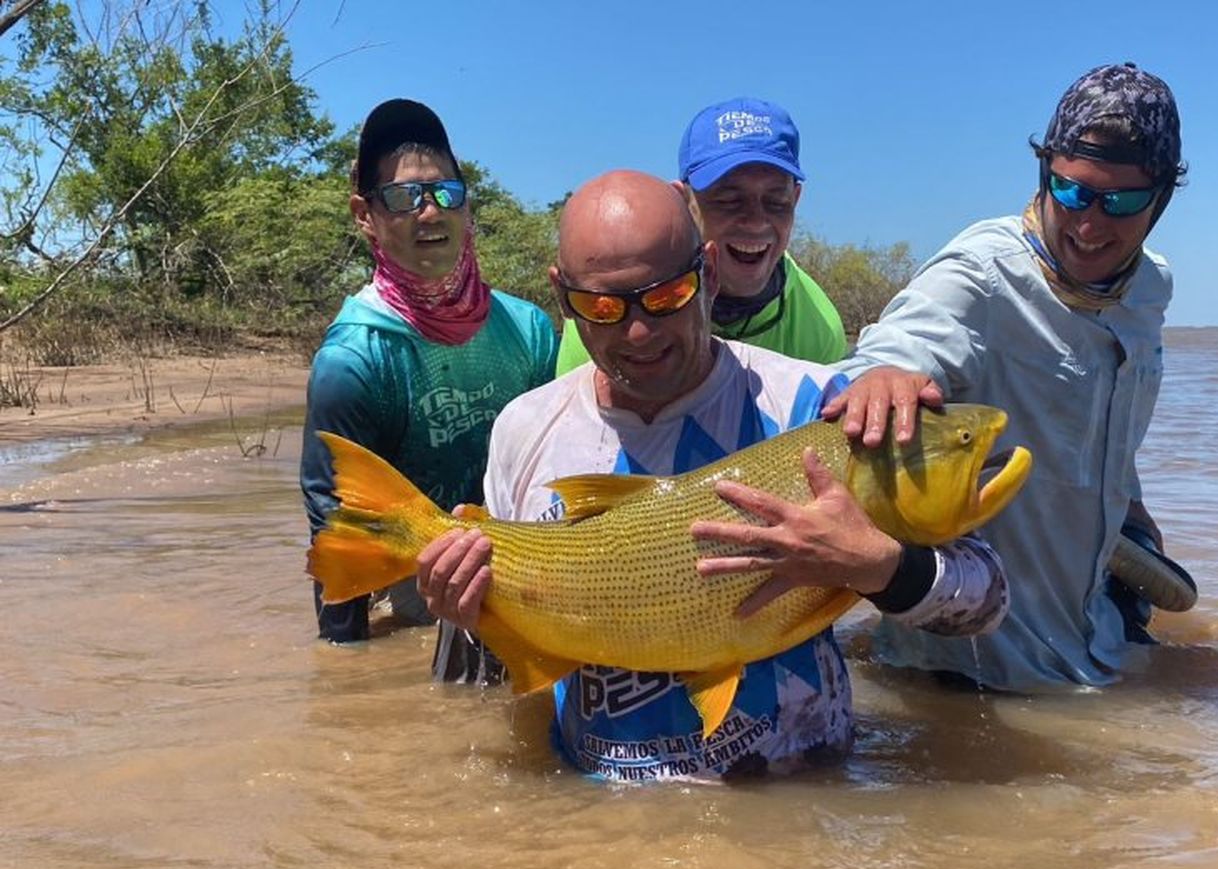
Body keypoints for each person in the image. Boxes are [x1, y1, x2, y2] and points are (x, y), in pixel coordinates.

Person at [417, 170, 1008, 781]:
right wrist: (464, 609)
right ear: (562, 298)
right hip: (595, 828)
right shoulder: (525, 428)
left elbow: (986, 601)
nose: (638, 332)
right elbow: (508, 668)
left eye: (666, 297)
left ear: (709, 272)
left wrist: (879, 568)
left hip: (801, 803)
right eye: (602, 307)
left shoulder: (816, 408)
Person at [830, 63, 1187, 692]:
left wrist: (1124, 503)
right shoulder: (982, 272)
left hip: (1097, 644)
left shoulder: (1150, 287)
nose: (1089, 223)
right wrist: (882, 372)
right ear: (1044, 170)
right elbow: (899, 345)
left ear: (1160, 199)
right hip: (972, 675)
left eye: (1122, 202)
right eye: (1071, 190)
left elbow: (1104, 431)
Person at [300, 99, 558, 643]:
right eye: (403, 197)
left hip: (532, 569)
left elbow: (562, 468)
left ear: (467, 208)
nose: (430, 212)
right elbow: (335, 524)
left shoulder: (531, 329)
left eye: (446, 193)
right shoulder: (354, 361)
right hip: (427, 590)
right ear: (364, 215)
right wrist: (346, 678)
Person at [553, 97, 846, 376]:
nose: (756, 222)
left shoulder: (817, 327)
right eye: (729, 200)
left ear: (795, 199)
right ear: (682, 200)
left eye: (776, 201)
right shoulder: (610, 306)